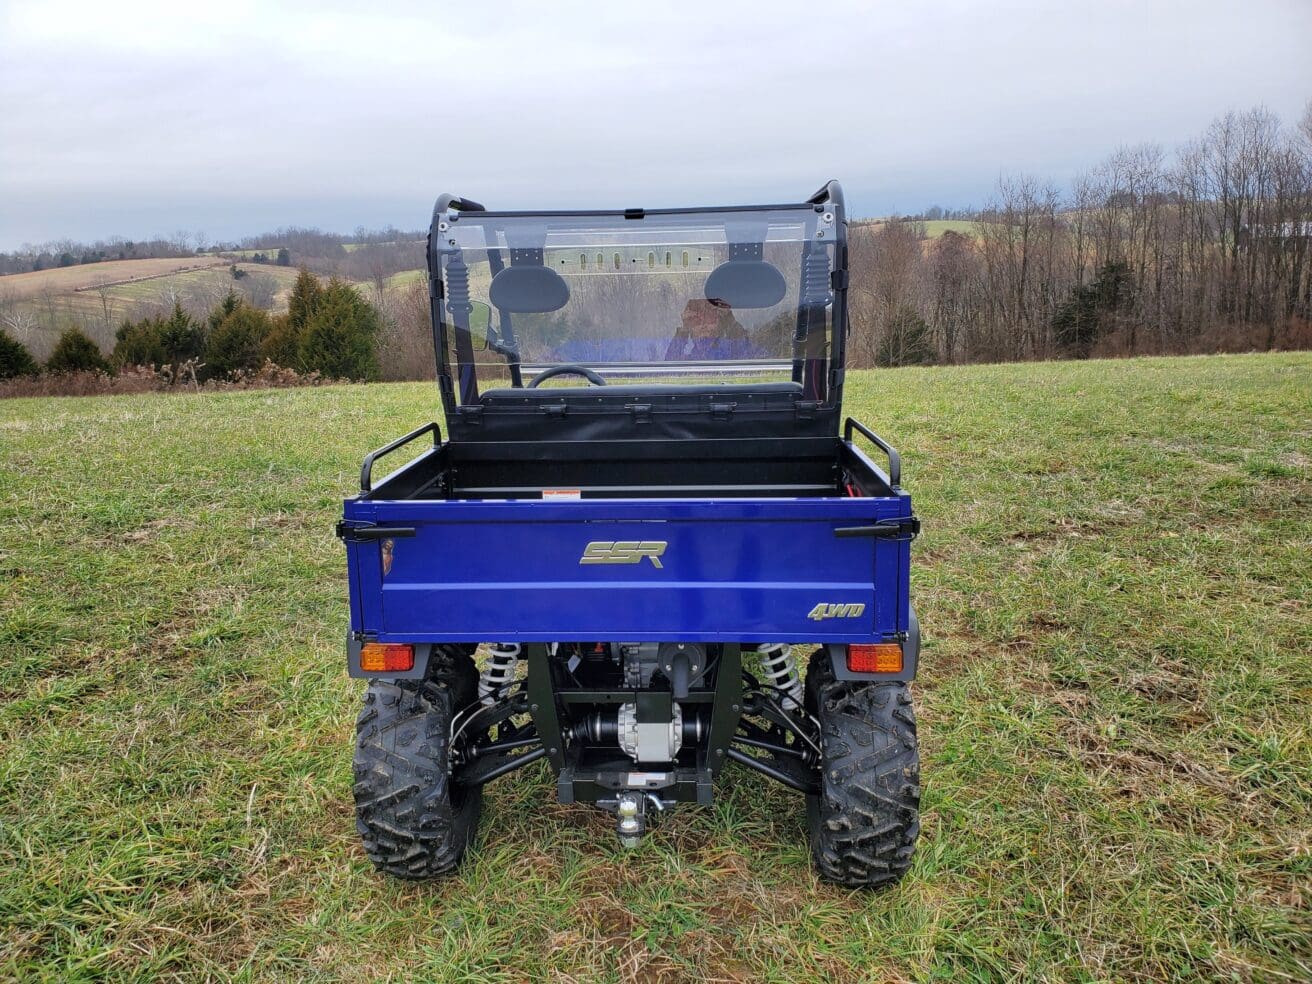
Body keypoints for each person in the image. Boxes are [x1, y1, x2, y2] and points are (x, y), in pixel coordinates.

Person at [664, 298, 755, 361]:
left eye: (709, 316)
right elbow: (668, 369)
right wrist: (684, 329)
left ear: (718, 322)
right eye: (697, 319)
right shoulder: (689, 361)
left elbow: (751, 356)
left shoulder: (731, 352)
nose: (703, 325)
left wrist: (730, 320)